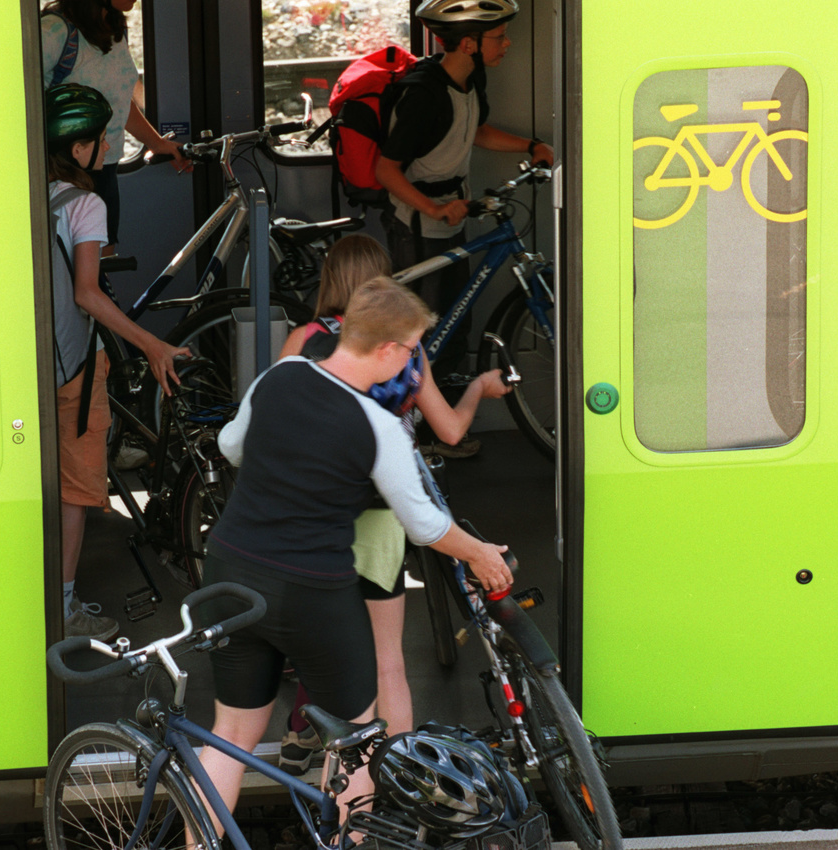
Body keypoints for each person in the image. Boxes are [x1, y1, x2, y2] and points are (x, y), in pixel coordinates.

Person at [197, 277, 515, 829]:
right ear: (388, 350)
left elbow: (230, 447)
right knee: (357, 741)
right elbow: (424, 525)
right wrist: (481, 553)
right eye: (413, 348)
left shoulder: (283, 374)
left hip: (229, 573)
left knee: (230, 736)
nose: (413, 361)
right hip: (310, 591)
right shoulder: (379, 426)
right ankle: (348, 841)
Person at [273, 235, 512, 773]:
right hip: (382, 516)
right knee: (388, 664)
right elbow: (449, 430)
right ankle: (402, 782)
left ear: (329, 279)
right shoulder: (405, 346)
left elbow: (274, 425)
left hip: (314, 520)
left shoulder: (304, 339)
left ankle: (306, 735)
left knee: (323, 644)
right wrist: (477, 387)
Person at [45, 83, 188, 639]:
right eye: (101, 138)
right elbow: (87, 292)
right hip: (75, 367)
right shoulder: (85, 204)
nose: (105, 147)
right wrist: (152, 344)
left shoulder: (24, 195)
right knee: (78, 488)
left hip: (27, 368)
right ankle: (62, 608)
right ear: (79, 149)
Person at [375, 0, 554, 388]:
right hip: (417, 221)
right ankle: (416, 428)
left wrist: (532, 145)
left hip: (450, 211)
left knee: (453, 317)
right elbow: (385, 170)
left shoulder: (470, 79)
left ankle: (444, 414)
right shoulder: (424, 95)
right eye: (499, 37)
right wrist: (435, 209)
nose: (507, 44)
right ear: (469, 44)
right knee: (422, 326)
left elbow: (474, 129)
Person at [40, 0, 189, 254]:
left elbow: (118, 99)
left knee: (103, 267)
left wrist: (156, 143)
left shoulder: (113, 29)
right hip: (63, 173)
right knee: (74, 274)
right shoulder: (54, 33)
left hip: (104, 167)